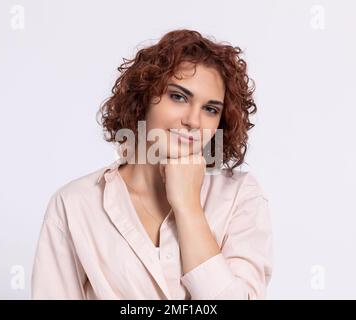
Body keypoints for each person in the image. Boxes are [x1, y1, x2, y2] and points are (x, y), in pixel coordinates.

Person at [31, 29, 273, 300]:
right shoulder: (75, 204)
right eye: (178, 97)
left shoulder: (239, 196)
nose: (193, 120)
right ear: (144, 97)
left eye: (210, 109)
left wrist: (189, 208)